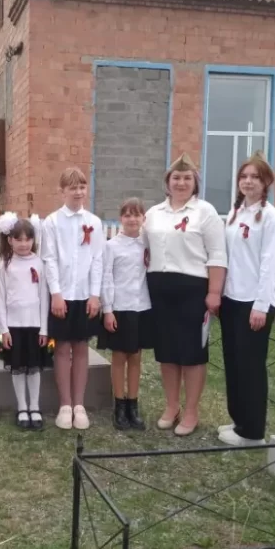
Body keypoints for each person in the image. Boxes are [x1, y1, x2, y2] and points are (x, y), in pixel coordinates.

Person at [144, 153, 227, 436]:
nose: (181, 183)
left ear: (195, 183)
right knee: (167, 352)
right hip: (159, 289)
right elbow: (142, 248)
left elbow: (217, 254)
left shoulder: (205, 212)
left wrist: (214, 292)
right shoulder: (154, 213)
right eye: (176, 178)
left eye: (187, 178)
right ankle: (172, 406)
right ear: (167, 182)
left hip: (193, 290)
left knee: (192, 354)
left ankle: (191, 411)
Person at [218, 151, 275, 446]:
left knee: (250, 366)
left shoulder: (271, 217)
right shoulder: (235, 214)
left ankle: (253, 431)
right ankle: (239, 421)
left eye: (255, 177)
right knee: (233, 363)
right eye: (244, 177)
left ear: (265, 182)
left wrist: (261, 305)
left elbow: (269, 263)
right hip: (232, 299)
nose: (248, 181)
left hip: (254, 302)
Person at [41, 166, 104, 430]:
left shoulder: (94, 222)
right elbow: (49, 259)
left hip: (85, 296)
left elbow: (97, 259)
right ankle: (65, 405)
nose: (78, 192)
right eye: (73, 188)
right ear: (62, 191)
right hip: (62, 296)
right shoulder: (52, 222)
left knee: (81, 348)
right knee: (62, 348)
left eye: (82, 187)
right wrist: (56, 293)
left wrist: (95, 295)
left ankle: (79, 405)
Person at [97, 198, 153, 430]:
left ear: (143, 218)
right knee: (119, 357)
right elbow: (106, 277)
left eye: (136, 215)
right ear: (121, 218)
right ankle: (119, 405)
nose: (132, 219)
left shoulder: (147, 243)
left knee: (136, 357)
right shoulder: (112, 246)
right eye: (127, 215)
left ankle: (133, 405)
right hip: (120, 308)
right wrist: (108, 310)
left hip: (141, 307)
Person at [0, 212, 51, 430]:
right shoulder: (5, 264)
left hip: (35, 326)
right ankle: (22, 407)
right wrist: (3, 329)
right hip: (14, 327)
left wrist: (44, 329)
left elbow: (44, 297)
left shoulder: (39, 263)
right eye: (18, 239)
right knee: (17, 367)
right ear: (10, 240)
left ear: (33, 240)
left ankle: (34, 406)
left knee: (34, 368)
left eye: (28, 239)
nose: (23, 244)